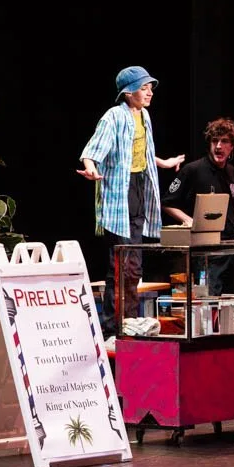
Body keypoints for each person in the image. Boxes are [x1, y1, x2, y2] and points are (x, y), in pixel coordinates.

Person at [78, 66, 184, 345]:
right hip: (119, 193)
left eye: (150, 88)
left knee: (134, 265)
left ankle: (130, 322)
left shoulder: (144, 116)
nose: (149, 93)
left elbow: (144, 152)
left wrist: (165, 163)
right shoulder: (113, 116)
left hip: (138, 187)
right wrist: (90, 168)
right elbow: (92, 150)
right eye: (143, 88)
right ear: (128, 92)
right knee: (120, 264)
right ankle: (112, 328)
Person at [162, 116, 234, 295]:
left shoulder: (231, 172)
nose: (218, 146)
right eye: (215, 141)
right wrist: (190, 220)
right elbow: (167, 203)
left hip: (230, 248)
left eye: (224, 141)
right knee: (209, 300)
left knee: (233, 300)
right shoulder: (193, 170)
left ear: (232, 146)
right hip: (206, 252)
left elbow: (231, 210)